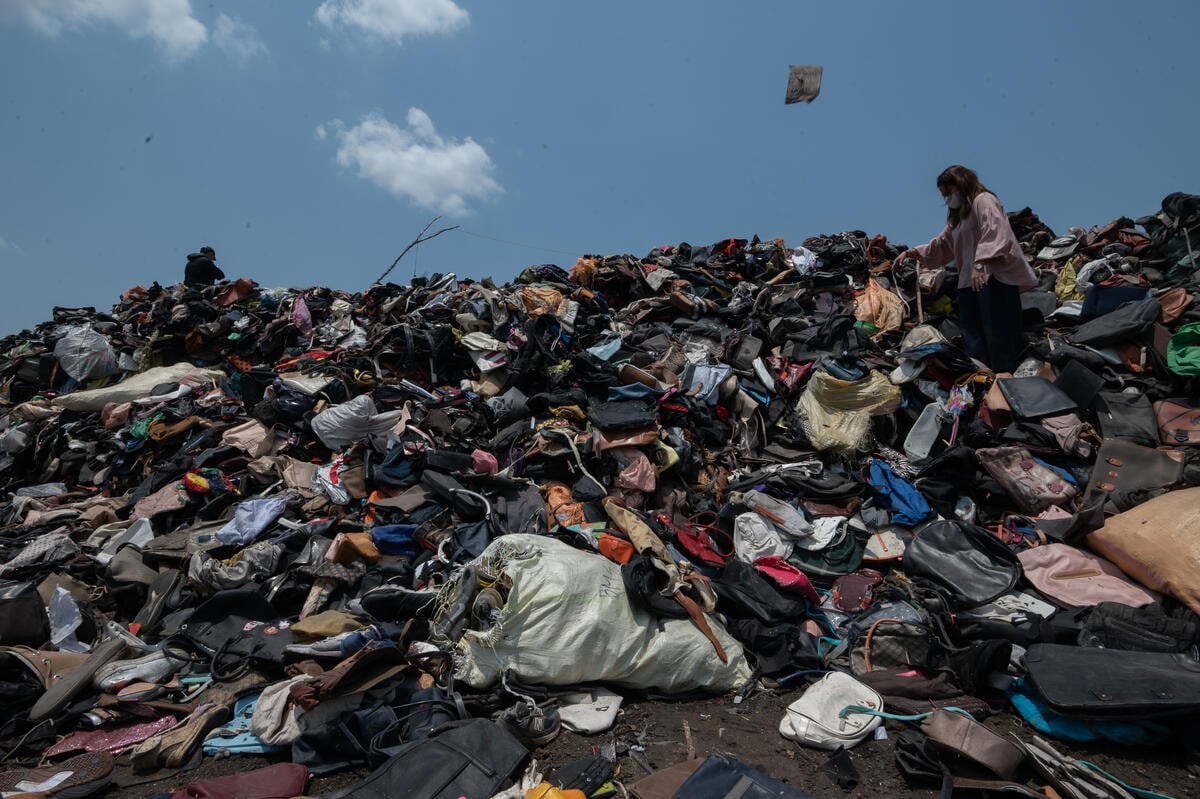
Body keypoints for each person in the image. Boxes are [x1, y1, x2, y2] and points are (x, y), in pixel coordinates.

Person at [896, 165, 1038, 373]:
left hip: (993, 278)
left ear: (961, 185)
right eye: (944, 195)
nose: (947, 199)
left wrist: (980, 264)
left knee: (998, 334)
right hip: (969, 283)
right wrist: (913, 253)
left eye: (949, 192)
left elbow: (996, 232)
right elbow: (943, 244)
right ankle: (982, 383)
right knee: (974, 338)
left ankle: (1006, 380)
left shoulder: (984, 201)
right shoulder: (958, 217)